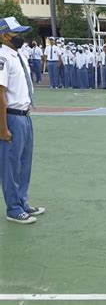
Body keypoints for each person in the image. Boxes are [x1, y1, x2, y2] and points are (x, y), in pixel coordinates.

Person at [0, 17, 45, 224]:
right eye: (16, 33)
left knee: (24, 163)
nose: (20, 37)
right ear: (4, 35)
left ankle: (23, 202)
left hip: (25, 116)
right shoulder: (3, 57)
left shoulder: (17, 55)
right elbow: (0, 93)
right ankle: (13, 208)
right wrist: (3, 127)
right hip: (11, 117)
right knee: (11, 165)